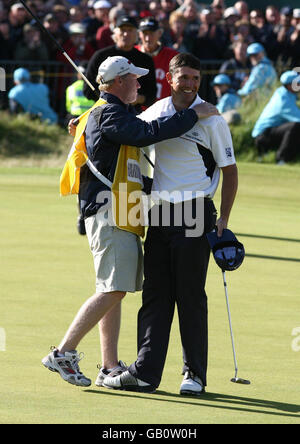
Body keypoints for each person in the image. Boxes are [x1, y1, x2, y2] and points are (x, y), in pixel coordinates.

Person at [42, 55, 219, 387]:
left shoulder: (109, 113)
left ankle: (109, 365)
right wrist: (192, 114)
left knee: (113, 288)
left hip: (121, 212)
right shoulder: (110, 114)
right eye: (135, 79)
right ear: (119, 81)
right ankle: (63, 352)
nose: (140, 84)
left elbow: (134, 170)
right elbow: (147, 132)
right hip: (111, 213)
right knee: (115, 288)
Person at [103, 53, 238, 395]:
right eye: (184, 78)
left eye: (195, 78)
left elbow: (230, 172)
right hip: (159, 214)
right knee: (155, 295)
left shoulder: (212, 120)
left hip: (195, 212)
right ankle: (146, 372)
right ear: (171, 79)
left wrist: (223, 217)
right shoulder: (157, 112)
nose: (190, 84)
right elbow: (128, 132)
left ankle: (194, 375)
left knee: (189, 296)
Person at [83, 15, 157, 112]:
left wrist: (136, 98)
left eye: (130, 30)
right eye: (122, 30)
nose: (126, 34)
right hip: (104, 112)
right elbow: (88, 89)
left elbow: (151, 95)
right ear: (115, 32)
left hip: (134, 115)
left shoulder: (146, 60)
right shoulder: (100, 56)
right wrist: (112, 99)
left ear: (137, 33)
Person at [252, 70, 300, 165]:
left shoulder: (285, 94)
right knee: (295, 126)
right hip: (263, 137)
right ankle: (281, 159)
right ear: (289, 85)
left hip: (271, 132)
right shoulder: (283, 99)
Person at [136, 17, 178, 101]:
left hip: (165, 110)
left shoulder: (173, 56)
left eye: (151, 33)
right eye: (145, 33)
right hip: (136, 110)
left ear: (159, 33)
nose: (148, 38)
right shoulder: (132, 53)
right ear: (139, 34)